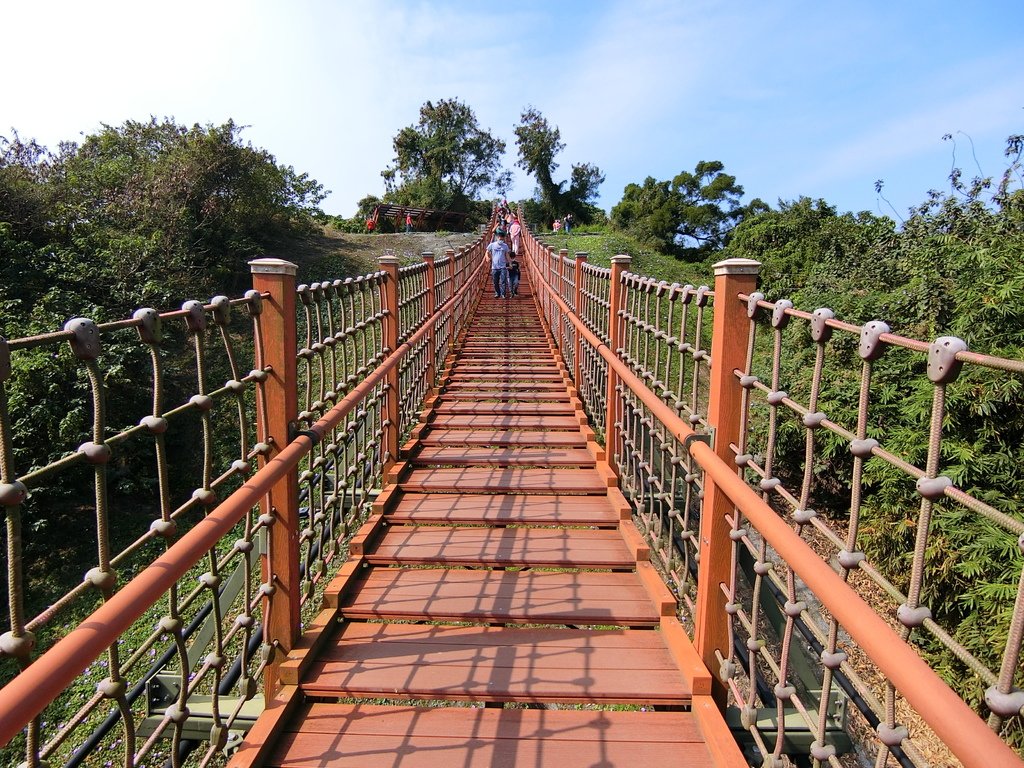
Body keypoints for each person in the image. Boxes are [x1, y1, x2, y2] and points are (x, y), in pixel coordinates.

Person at [487, 228, 511, 298]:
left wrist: (510, 263)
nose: (501, 238)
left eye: (502, 237)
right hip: (494, 267)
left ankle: (503, 294)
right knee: (495, 282)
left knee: (503, 281)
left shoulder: (505, 246)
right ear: (497, 237)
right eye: (499, 237)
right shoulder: (492, 245)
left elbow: (507, 255)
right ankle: (497, 293)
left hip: (502, 266)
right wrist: (487, 258)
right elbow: (487, 252)